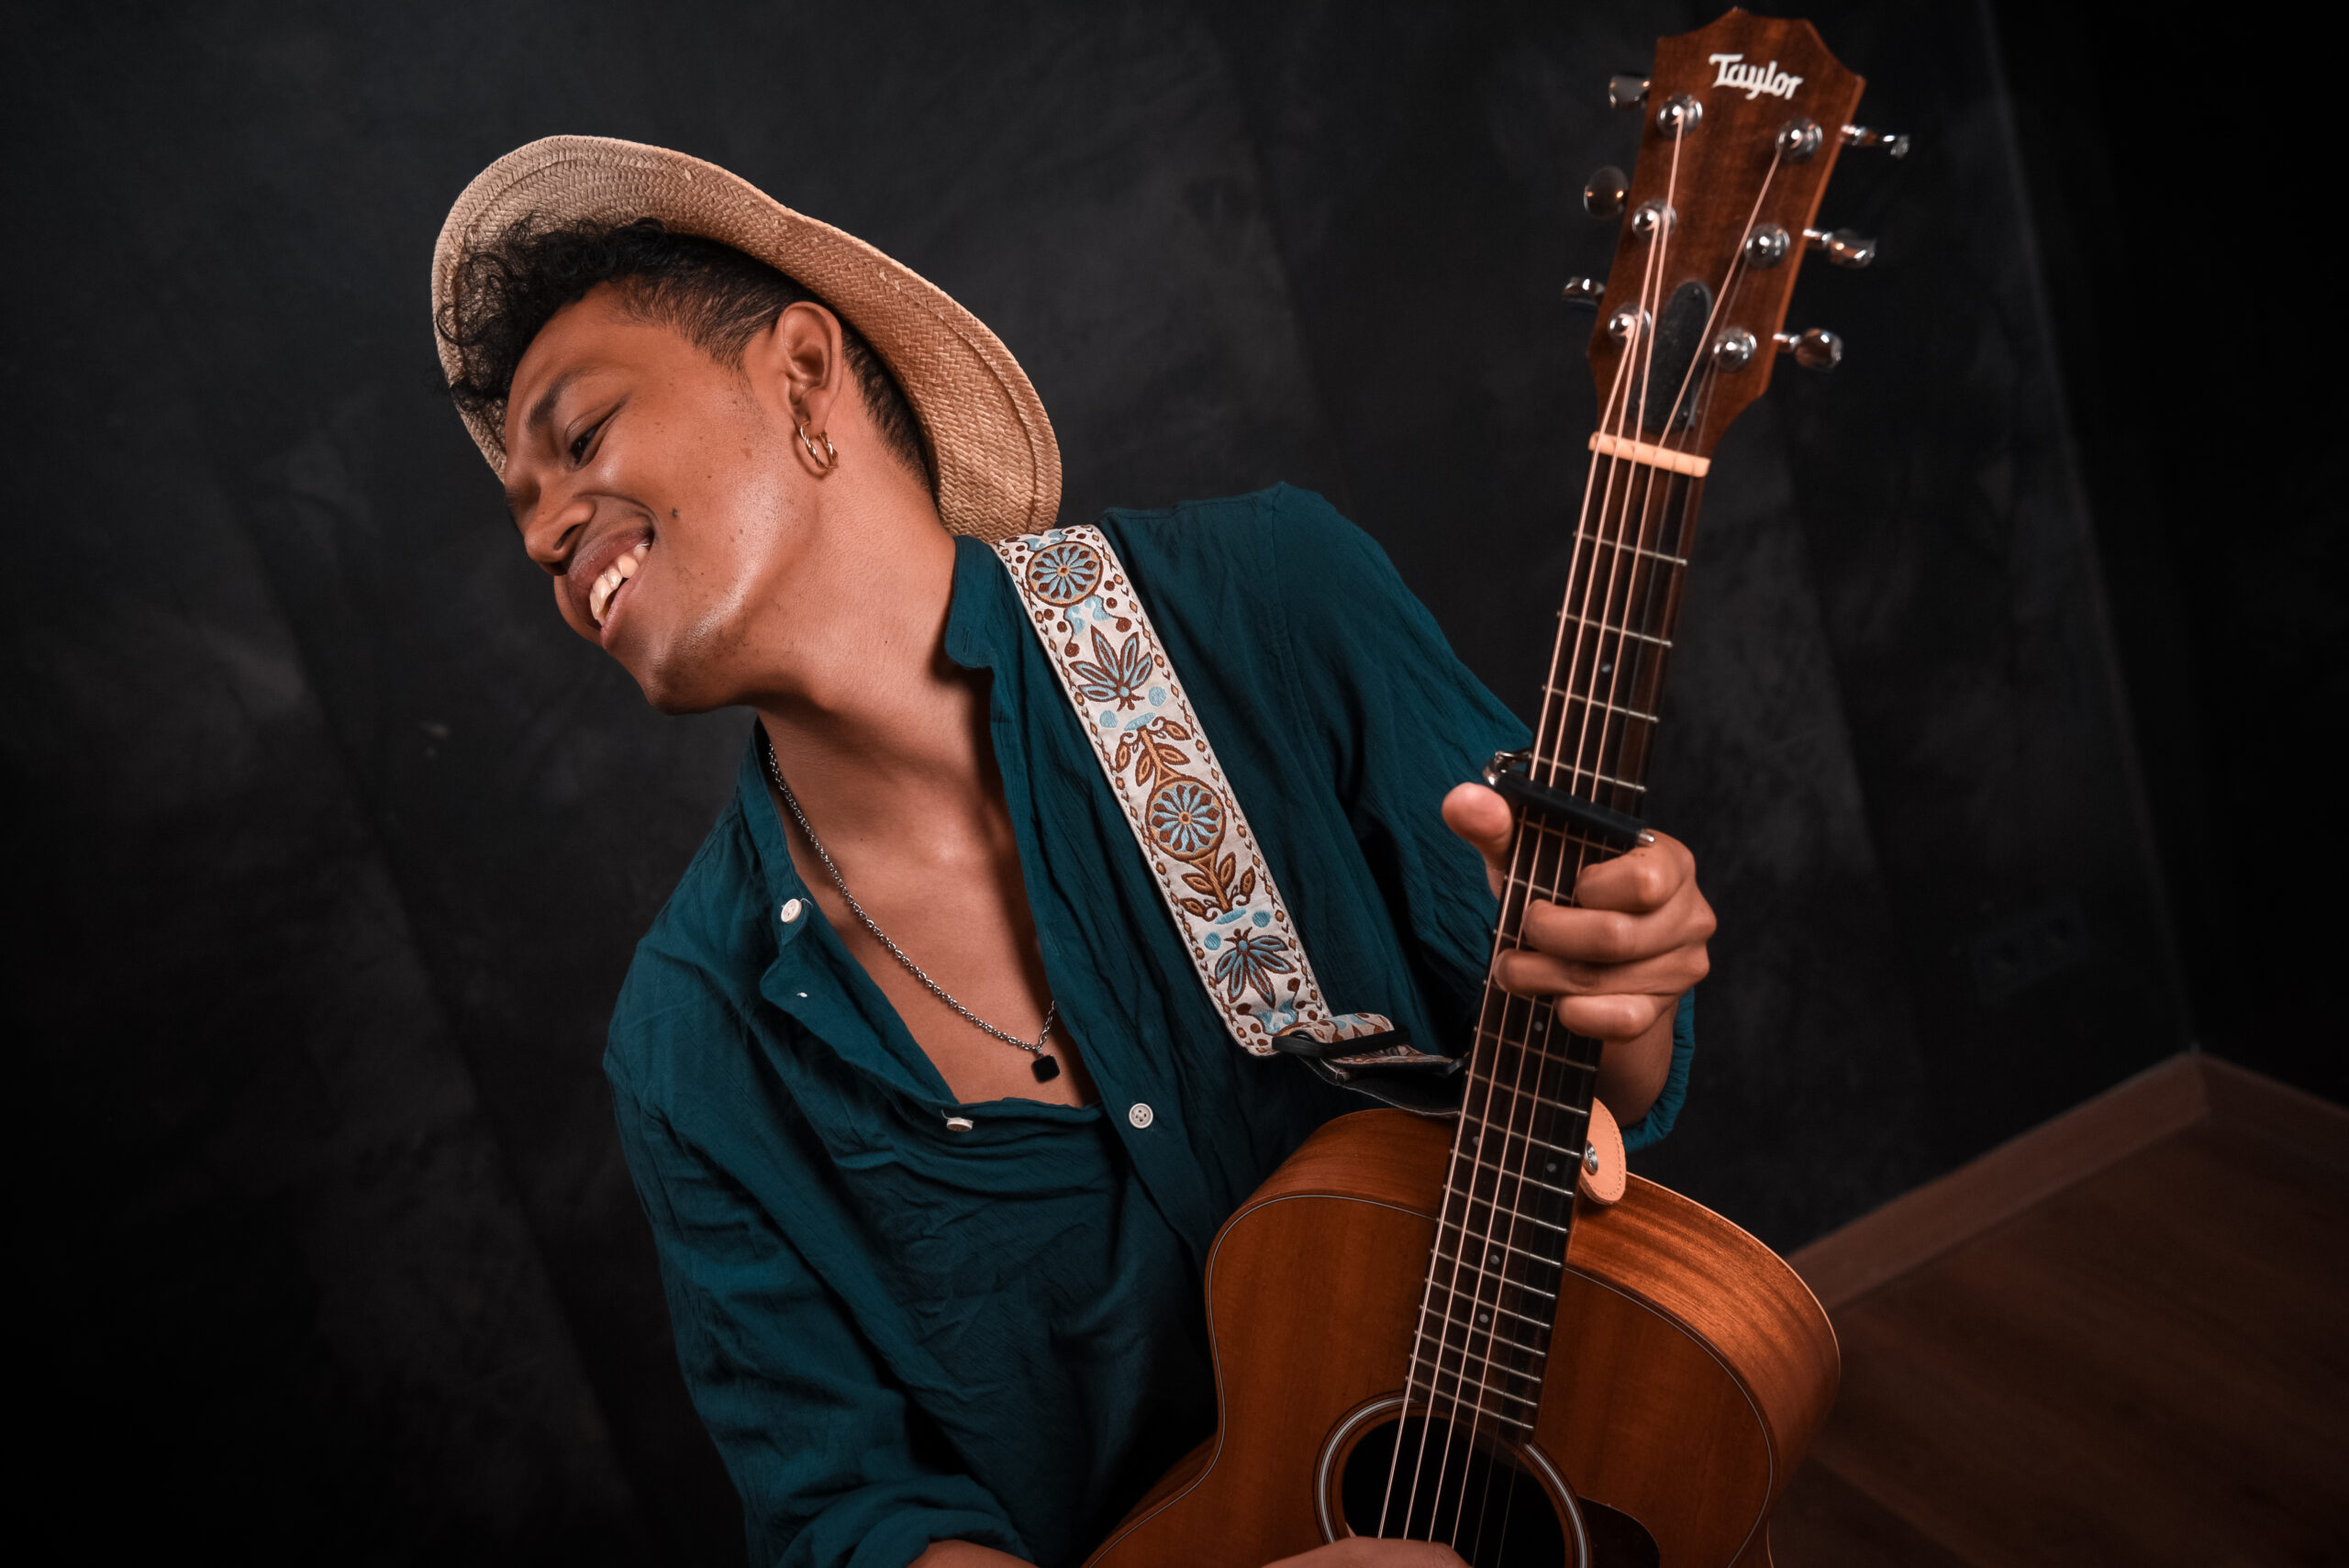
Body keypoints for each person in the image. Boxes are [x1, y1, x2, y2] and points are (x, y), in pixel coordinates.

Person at [431, 138, 1713, 1568]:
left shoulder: (1266, 600)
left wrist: (1623, 983)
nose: (543, 532)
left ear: (801, 374)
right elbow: (851, 1516)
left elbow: (1586, 1100)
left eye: (579, 437)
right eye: (521, 506)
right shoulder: (690, 1040)